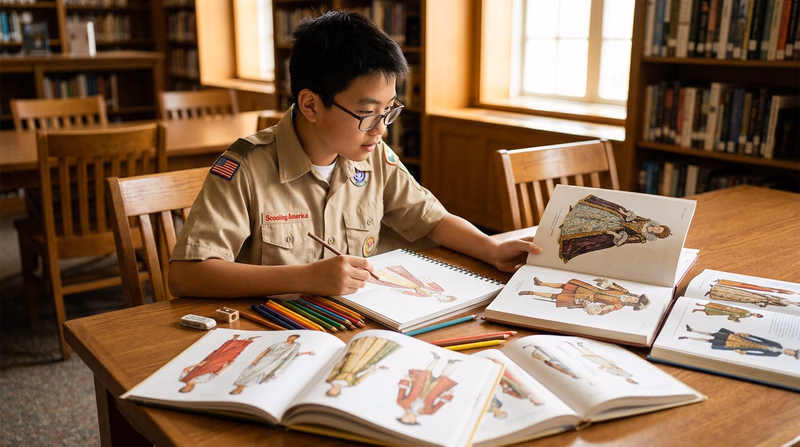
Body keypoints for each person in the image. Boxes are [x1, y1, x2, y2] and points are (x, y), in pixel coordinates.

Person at [168, 10, 541, 299]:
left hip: (355, 323)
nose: (381, 129)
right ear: (311, 105)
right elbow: (187, 274)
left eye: (389, 111)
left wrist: (492, 249)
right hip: (274, 331)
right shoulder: (246, 167)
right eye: (366, 114)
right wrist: (306, 277)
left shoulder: (372, 154)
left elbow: (431, 219)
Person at [558, 194, 671, 263]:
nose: (656, 228)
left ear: (657, 235)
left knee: (596, 231)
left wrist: (614, 234)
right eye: (659, 227)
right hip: (621, 220)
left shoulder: (642, 238)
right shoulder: (647, 222)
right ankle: (578, 213)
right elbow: (635, 217)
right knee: (605, 213)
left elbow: (626, 239)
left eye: (658, 230)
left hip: (617, 231)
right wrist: (624, 213)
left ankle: (571, 227)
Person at [230, 334, 315, 395]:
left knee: (262, 374)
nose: (293, 337)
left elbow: (294, 355)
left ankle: (240, 388)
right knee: (251, 370)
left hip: (275, 363)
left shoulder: (295, 346)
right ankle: (240, 386)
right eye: (293, 336)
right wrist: (256, 359)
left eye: (295, 337)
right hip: (266, 359)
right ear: (289, 336)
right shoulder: (278, 344)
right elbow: (265, 351)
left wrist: (307, 353)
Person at [519, 277, 650, 315]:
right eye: (635, 298)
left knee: (556, 297)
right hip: (590, 289)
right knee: (564, 285)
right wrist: (603, 281)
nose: (633, 299)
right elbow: (613, 285)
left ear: (632, 304)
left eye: (634, 301)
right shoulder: (624, 291)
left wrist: (594, 308)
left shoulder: (618, 305)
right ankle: (541, 283)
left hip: (588, 298)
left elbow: (605, 310)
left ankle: (532, 292)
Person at [179, 334, 259, 393]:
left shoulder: (183, 379)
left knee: (219, 352)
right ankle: (247, 341)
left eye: (185, 389)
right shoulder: (203, 381)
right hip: (215, 366)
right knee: (232, 355)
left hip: (204, 364)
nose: (188, 388)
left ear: (183, 387)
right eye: (188, 390)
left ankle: (234, 339)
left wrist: (198, 364)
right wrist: (228, 365)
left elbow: (186, 369)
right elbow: (216, 373)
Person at [325, 336, 400, 397]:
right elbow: (363, 377)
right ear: (339, 391)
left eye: (332, 391)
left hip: (348, 365)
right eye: (335, 392)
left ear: (330, 389)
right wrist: (371, 371)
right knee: (369, 355)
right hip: (359, 367)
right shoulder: (352, 384)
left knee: (358, 352)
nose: (335, 389)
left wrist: (342, 361)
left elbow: (335, 369)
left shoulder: (329, 380)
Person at [396, 352, 459, 425]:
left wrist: (406, 380)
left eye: (406, 418)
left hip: (419, 385)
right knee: (444, 377)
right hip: (435, 390)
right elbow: (441, 403)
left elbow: (402, 390)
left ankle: (436, 358)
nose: (409, 418)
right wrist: (447, 395)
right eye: (410, 420)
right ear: (414, 420)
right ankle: (450, 363)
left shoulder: (401, 403)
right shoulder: (429, 412)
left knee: (426, 373)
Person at [680, 325, 800, 359]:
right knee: (714, 334)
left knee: (710, 341)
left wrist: (745, 353)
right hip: (743, 339)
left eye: (791, 354)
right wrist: (748, 335)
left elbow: (759, 354)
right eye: (792, 351)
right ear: (792, 349)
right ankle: (693, 330)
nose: (790, 352)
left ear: (790, 355)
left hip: (740, 346)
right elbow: (763, 340)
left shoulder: (775, 355)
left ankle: (687, 338)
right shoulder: (778, 345)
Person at [692, 302, 764, 322]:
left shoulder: (747, 316)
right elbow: (738, 310)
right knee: (715, 306)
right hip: (729, 309)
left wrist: (736, 319)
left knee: (713, 311)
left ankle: (696, 310)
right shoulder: (748, 312)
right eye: (757, 314)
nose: (755, 315)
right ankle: (700, 304)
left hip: (728, 313)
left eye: (756, 316)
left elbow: (739, 316)